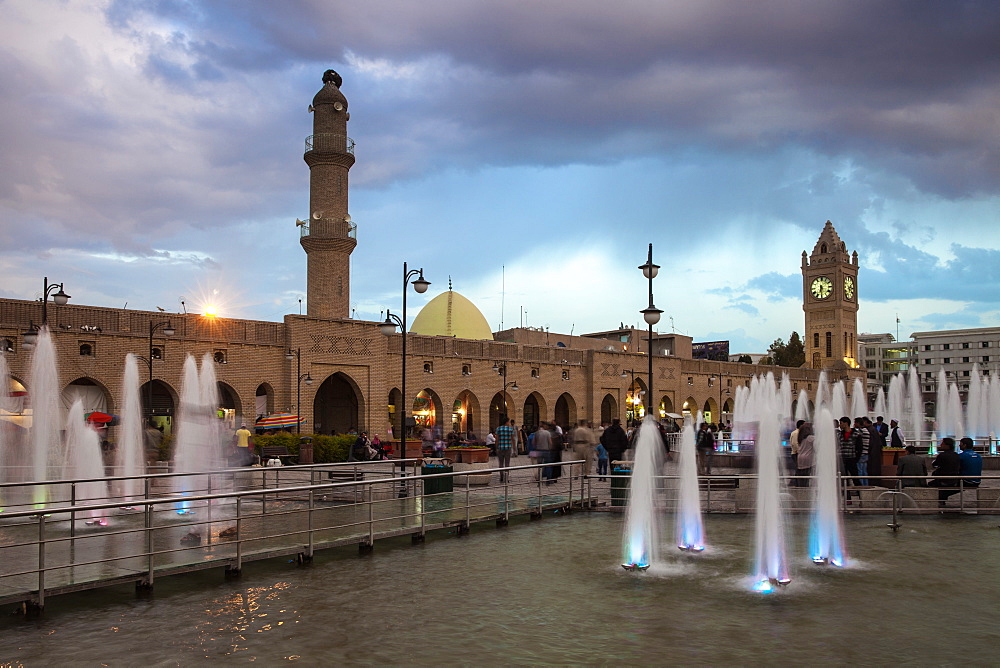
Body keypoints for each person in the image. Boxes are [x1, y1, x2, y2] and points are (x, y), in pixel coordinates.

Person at [928, 437, 962, 506]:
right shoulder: (956, 455)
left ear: (947, 445)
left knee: (930, 485)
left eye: (942, 443)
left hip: (943, 480)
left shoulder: (942, 455)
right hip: (954, 480)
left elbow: (935, 464)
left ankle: (940, 501)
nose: (940, 445)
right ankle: (942, 500)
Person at [837, 417, 858, 482]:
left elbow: (859, 447)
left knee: (855, 477)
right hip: (842, 458)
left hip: (852, 458)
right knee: (843, 477)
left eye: (841, 423)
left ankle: (859, 491)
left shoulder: (856, 434)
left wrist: (856, 458)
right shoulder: (839, 434)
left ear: (846, 423)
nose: (839, 425)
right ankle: (846, 491)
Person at [495, 417, 516, 482]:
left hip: (500, 448)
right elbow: (513, 439)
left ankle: (501, 476)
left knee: (501, 463)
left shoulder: (498, 429)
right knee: (507, 463)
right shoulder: (510, 429)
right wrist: (514, 448)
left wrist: (496, 447)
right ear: (506, 422)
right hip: (508, 448)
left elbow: (497, 439)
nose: (509, 423)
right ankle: (506, 478)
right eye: (508, 422)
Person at [852, 417, 870, 485]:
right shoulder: (866, 430)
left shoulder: (861, 431)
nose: (854, 424)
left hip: (861, 454)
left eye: (855, 423)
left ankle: (861, 487)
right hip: (866, 453)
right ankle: (865, 486)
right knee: (864, 471)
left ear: (858, 423)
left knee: (859, 471)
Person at [789, 419, 805, 485]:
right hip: (796, 453)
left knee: (799, 468)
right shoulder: (796, 433)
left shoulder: (799, 432)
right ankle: (795, 482)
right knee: (798, 468)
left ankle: (796, 481)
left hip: (798, 453)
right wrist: (799, 451)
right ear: (801, 425)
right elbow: (794, 444)